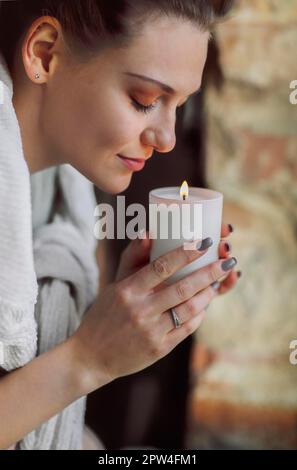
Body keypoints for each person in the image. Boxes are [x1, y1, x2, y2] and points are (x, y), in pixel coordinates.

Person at [0, 0, 238, 450]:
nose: (166, 139)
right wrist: (87, 359)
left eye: (180, 106)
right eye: (144, 100)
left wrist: (117, 312)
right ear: (45, 54)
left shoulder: (61, 200)